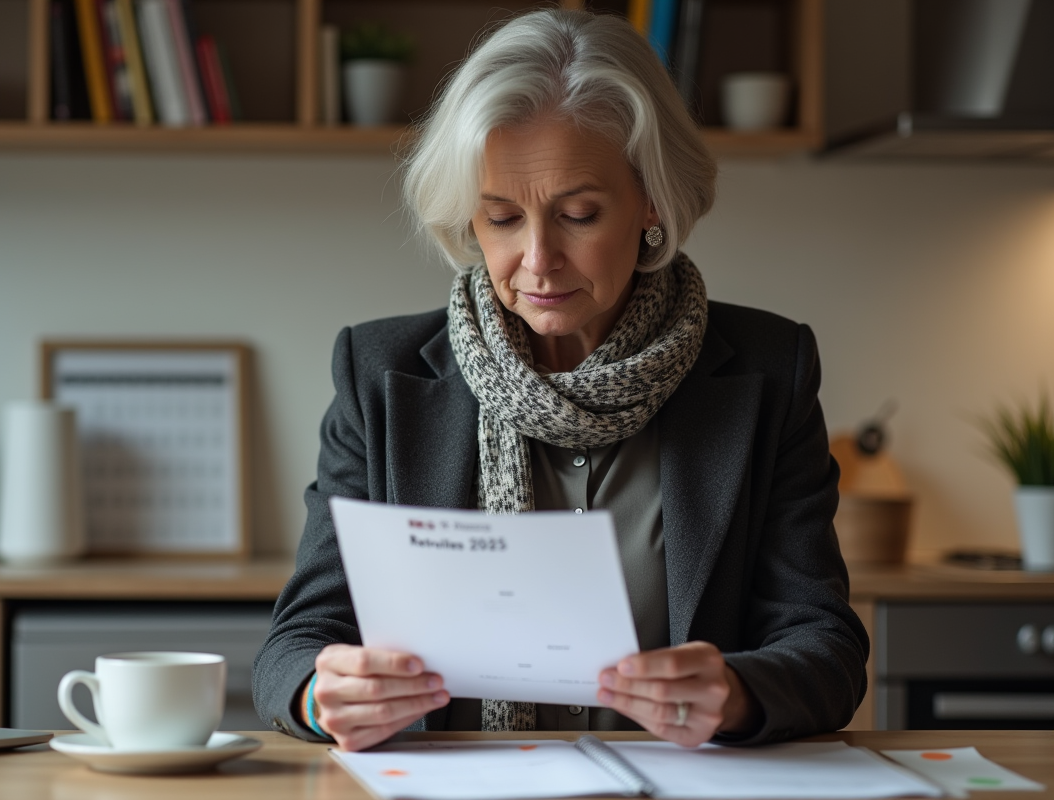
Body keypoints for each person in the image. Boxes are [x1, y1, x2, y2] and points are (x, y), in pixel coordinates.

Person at [252, 8, 868, 752]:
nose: (538, 259)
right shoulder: (380, 375)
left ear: (652, 201)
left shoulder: (770, 369)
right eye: (503, 218)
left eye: (579, 213)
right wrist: (325, 695)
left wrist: (737, 694)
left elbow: (825, 647)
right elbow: (295, 643)